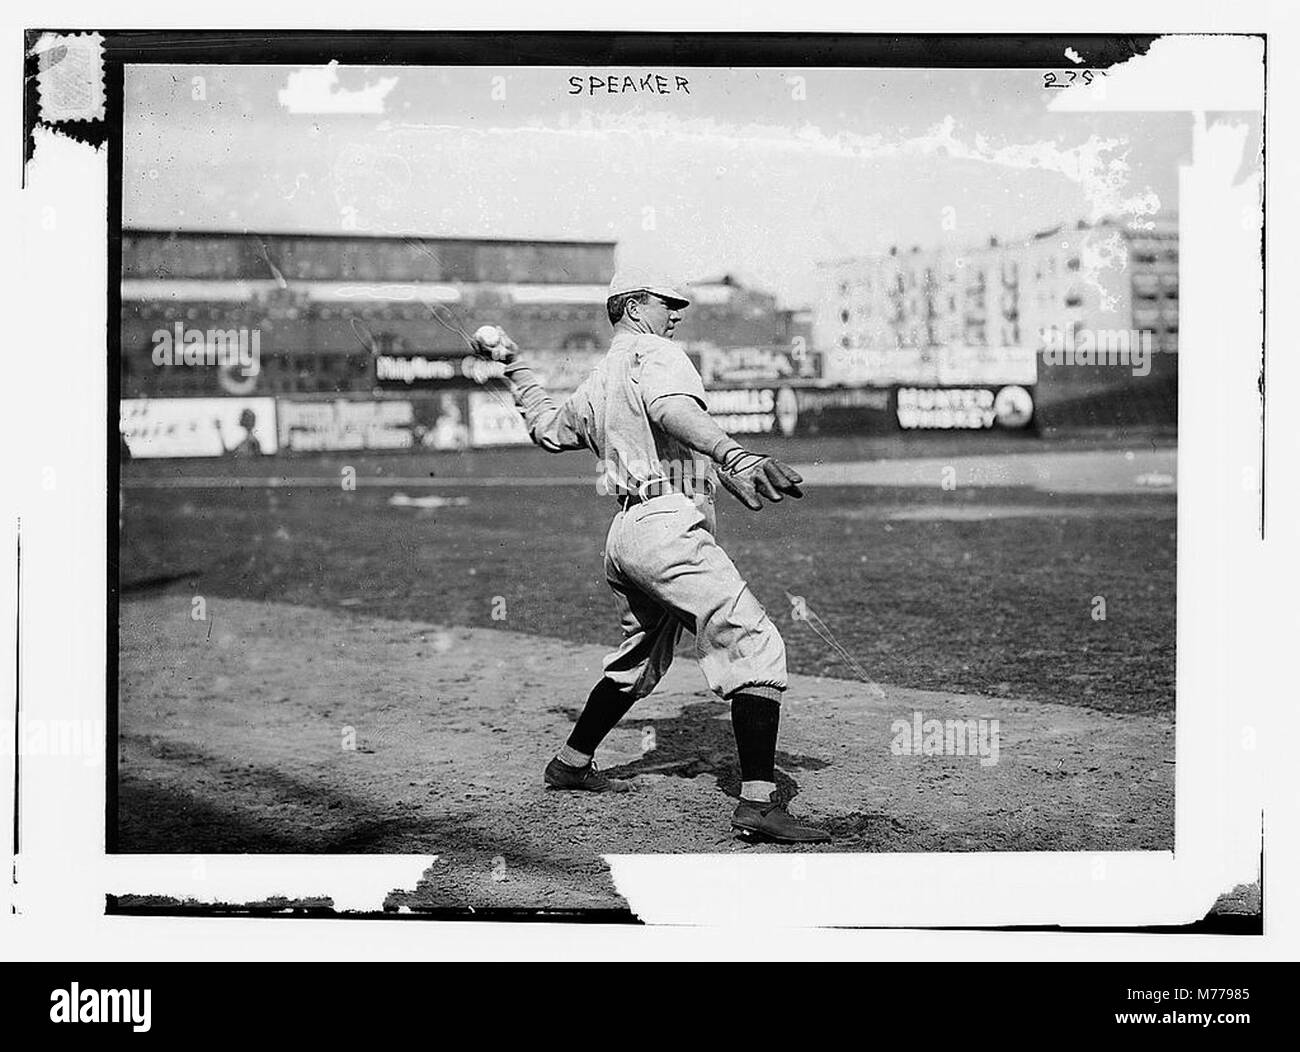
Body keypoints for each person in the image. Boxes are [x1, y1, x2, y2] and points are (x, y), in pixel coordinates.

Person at [477, 268, 829, 843]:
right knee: (753, 642)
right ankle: (760, 806)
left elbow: (545, 429)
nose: (677, 314)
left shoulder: (599, 379)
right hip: (667, 527)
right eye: (669, 303)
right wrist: (734, 456)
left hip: (628, 531)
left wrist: (513, 364)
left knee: (637, 661)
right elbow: (671, 411)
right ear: (635, 307)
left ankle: (570, 762)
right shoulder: (656, 351)